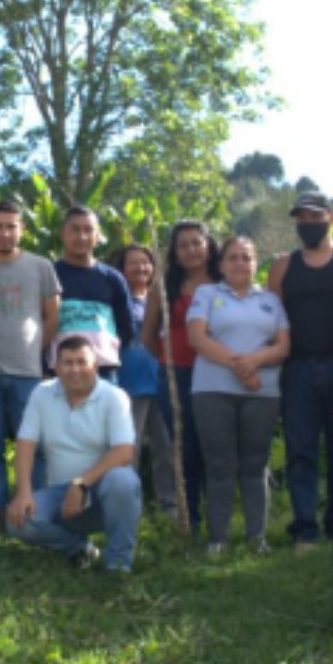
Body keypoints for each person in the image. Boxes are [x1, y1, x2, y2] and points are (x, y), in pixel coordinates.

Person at [268, 192, 333, 547]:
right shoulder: (283, 266)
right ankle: (305, 527)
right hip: (298, 371)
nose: (309, 224)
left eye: (316, 217)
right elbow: (273, 320)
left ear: (332, 218)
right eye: (302, 219)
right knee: (300, 452)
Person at [0, 200, 61, 534]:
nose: (5, 233)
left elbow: (52, 316)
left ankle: (34, 506)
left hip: (27, 371)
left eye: (11, 226)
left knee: (33, 443)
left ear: (22, 229)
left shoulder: (40, 266)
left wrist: (35, 350)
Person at [187, 236, 290, 555]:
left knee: (255, 464)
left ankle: (256, 536)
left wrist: (254, 362)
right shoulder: (206, 293)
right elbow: (197, 337)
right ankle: (217, 538)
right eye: (232, 257)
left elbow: (284, 345)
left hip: (262, 393)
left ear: (256, 263)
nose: (239, 263)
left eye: (246, 257)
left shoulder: (271, 301)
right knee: (219, 465)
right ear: (221, 264)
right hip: (212, 390)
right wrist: (240, 366)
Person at [7, 335, 141, 572]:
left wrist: (81, 483)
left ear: (95, 366)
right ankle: (78, 548)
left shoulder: (114, 397)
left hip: (102, 494)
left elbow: (124, 452)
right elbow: (26, 443)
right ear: (56, 367)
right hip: (59, 495)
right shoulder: (42, 393)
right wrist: (24, 492)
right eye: (68, 363)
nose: (75, 369)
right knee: (18, 522)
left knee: (124, 480)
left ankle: (119, 565)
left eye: (82, 362)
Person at [141, 220, 221, 533]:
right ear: (174, 252)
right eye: (183, 245)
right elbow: (148, 335)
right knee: (184, 447)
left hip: (217, 373)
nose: (190, 250)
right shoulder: (164, 286)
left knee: (213, 445)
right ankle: (191, 520)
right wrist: (168, 358)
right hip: (177, 376)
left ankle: (219, 519)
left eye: (196, 243)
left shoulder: (223, 280)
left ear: (208, 245)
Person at [112, 243, 175, 517]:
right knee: (130, 450)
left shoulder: (161, 301)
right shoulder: (118, 301)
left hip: (161, 383)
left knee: (167, 448)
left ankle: (170, 504)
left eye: (145, 262)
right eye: (133, 263)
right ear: (122, 269)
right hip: (130, 383)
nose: (140, 267)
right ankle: (129, 506)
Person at [51, 206, 133, 379]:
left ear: (98, 236)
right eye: (75, 230)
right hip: (58, 370)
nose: (82, 236)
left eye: (88, 230)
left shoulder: (113, 278)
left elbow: (126, 327)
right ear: (62, 234)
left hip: (103, 369)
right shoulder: (48, 274)